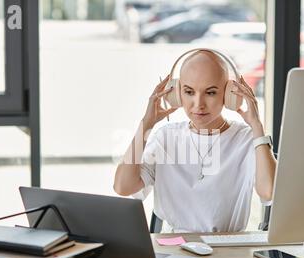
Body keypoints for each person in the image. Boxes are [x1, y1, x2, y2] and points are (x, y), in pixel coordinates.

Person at [113, 49, 277, 233]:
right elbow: (122, 186)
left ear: (230, 94)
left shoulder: (246, 139)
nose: (198, 104)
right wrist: (146, 124)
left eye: (211, 92)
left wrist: (257, 126)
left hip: (228, 250)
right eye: (189, 91)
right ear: (176, 93)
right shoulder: (165, 137)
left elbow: (269, 192)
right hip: (177, 249)